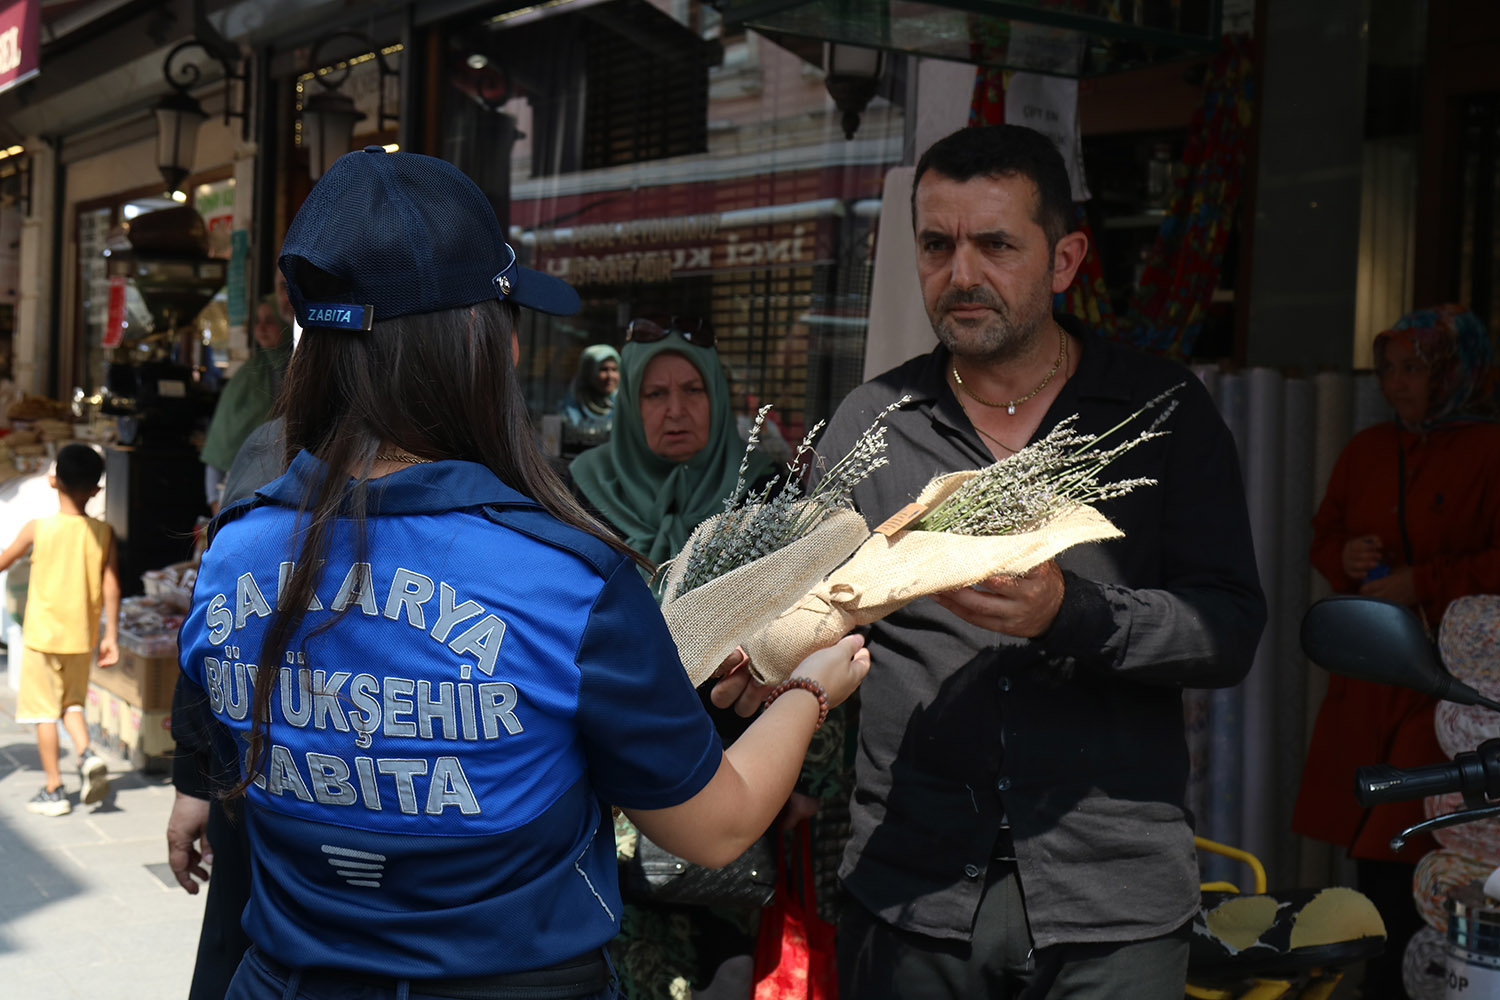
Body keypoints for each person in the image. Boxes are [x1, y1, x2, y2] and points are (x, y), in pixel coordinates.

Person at [169, 146, 870, 1000]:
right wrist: (809, 690)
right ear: (483, 340)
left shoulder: (234, 549)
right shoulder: (562, 576)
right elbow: (715, 827)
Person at [806, 124, 1266, 998]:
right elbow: (819, 622)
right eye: (938, 245)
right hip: (914, 897)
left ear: (1064, 259)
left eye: (996, 244)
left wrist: (1073, 613)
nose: (962, 274)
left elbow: (1231, 629)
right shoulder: (871, 426)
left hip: (1112, 909)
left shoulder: (1160, 414)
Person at [571, 317, 849, 999]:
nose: (675, 410)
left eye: (693, 390)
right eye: (654, 392)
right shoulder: (575, 498)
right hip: (611, 808)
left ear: (720, 399)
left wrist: (807, 772)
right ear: (628, 404)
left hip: (744, 790)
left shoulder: (769, 497)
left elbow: (823, 627)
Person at [1293, 304, 1500, 1000]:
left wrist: (1427, 580)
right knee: (1368, 850)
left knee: (1419, 841)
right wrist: (1345, 557)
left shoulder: (1491, 451)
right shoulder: (1368, 450)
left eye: (1414, 367)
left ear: (1453, 370)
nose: (1395, 382)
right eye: (1388, 367)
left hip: (1450, 688)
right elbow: (1326, 537)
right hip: (1370, 684)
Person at [0, 443, 120, 816]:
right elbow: (113, 587)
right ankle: (86, 755)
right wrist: (111, 636)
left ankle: (54, 789)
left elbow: (4, 561)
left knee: (42, 713)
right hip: (81, 638)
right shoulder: (104, 532)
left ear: (53, 482)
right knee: (71, 703)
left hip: (41, 638)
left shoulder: (39, 528)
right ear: (96, 491)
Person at [199, 277, 293, 511]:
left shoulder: (301, 369)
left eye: (269, 321)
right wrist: (214, 501)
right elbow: (222, 444)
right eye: (257, 321)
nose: (260, 329)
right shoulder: (248, 376)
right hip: (244, 498)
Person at [559, 344, 621, 454]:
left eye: (614, 369)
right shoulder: (573, 404)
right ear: (588, 371)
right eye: (603, 369)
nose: (610, 376)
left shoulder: (625, 404)